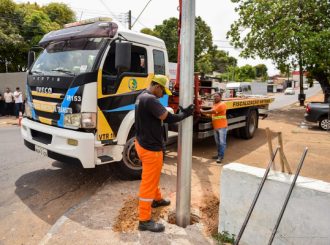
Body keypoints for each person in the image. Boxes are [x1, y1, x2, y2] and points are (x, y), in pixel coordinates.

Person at [135, 74, 194, 232]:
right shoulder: (151, 99)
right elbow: (166, 117)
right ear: (157, 87)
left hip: (141, 144)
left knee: (151, 176)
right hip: (150, 149)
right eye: (163, 92)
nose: (163, 95)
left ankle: (157, 199)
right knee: (148, 182)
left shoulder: (141, 96)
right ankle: (144, 220)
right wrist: (184, 114)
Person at [201, 92, 228, 163]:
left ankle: (220, 157)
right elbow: (212, 115)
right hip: (216, 127)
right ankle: (219, 154)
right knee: (218, 142)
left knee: (222, 143)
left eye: (217, 96)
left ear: (220, 97)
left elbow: (213, 111)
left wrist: (203, 111)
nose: (215, 98)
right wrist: (205, 114)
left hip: (222, 127)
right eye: (214, 96)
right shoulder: (215, 104)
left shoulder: (222, 104)